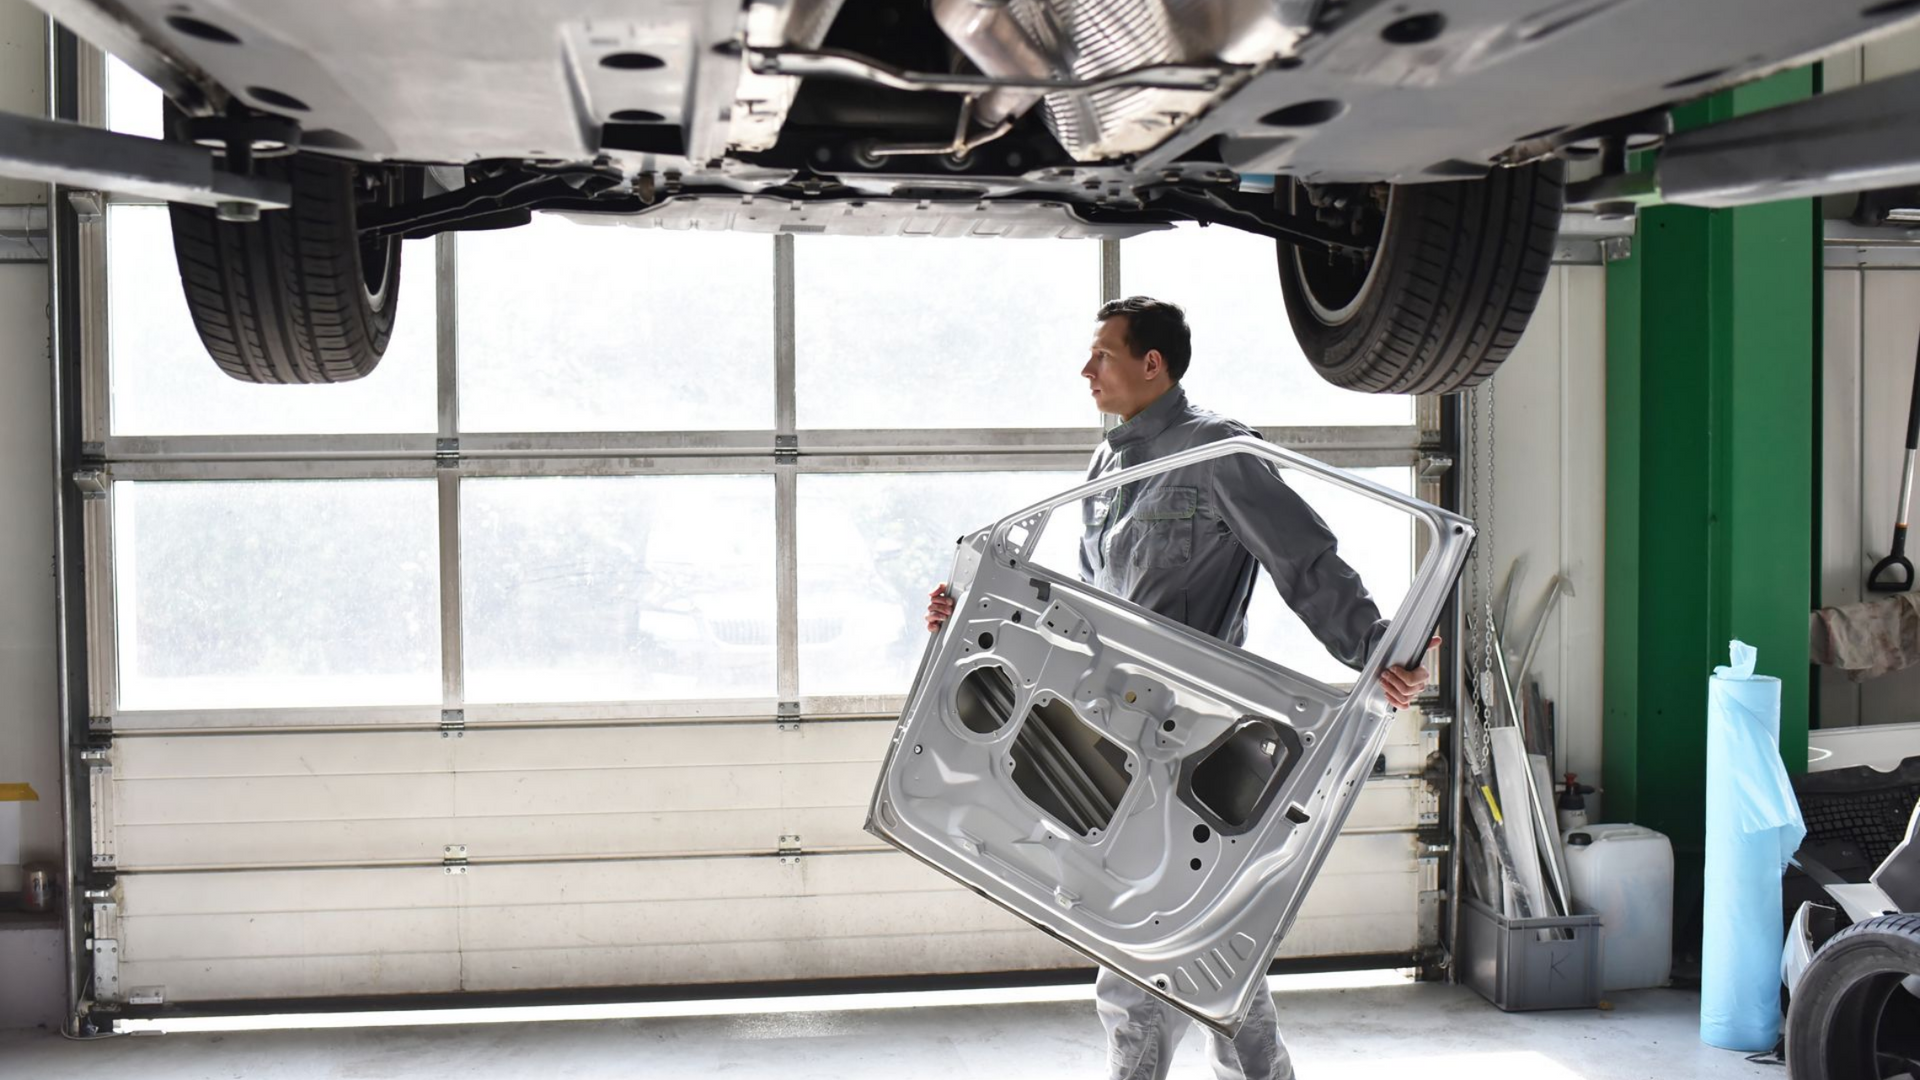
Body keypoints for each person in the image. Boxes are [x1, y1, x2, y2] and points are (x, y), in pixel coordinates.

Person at [924, 296, 1435, 1080]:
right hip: (1113, 730)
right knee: (1184, 942)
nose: (1086, 370)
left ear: (1152, 363)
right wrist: (972, 614)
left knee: (1161, 940)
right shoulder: (1108, 467)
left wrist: (1375, 652)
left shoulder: (1218, 452)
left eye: (1102, 354)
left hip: (1199, 738)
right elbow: (1084, 604)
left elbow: (1303, 560)